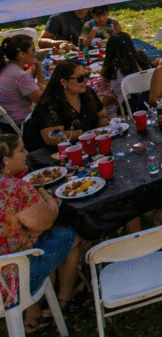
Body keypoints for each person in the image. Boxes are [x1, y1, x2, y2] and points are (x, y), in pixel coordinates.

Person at [0, 134, 84, 331]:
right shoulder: (14, 188)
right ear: (5, 160)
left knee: (39, 241)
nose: (26, 153)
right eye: (21, 150)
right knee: (71, 235)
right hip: (12, 281)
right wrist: (44, 193)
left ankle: (36, 312)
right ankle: (62, 302)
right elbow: (46, 220)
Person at [24, 60, 111, 152]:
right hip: (56, 153)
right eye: (80, 78)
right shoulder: (49, 105)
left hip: (87, 146)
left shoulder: (87, 93)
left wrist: (108, 124)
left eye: (86, 75)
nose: (86, 80)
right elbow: (53, 138)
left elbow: (102, 116)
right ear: (63, 82)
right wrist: (84, 133)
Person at [0, 35, 45, 126]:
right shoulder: (21, 76)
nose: (35, 52)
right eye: (33, 50)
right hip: (21, 124)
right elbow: (43, 100)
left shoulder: (6, 68)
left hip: (5, 122)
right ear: (22, 54)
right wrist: (40, 76)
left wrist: (31, 77)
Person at [99, 32, 149, 112]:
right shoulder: (141, 56)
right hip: (147, 99)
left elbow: (105, 86)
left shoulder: (112, 68)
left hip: (128, 106)